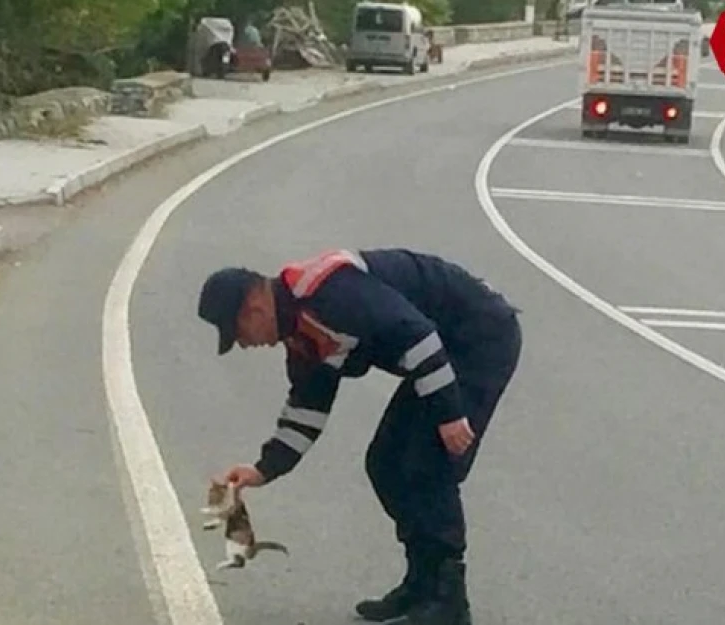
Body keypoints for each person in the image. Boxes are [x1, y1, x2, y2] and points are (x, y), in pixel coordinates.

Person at [196, 248, 523, 625]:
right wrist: (261, 470)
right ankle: (422, 583)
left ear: (252, 308)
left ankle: (449, 600)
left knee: (427, 465)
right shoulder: (301, 331)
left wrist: (449, 414)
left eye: (237, 333)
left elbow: (418, 336)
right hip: (438, 353)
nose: (245, 344)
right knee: (385, 462)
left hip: (478, 338)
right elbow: (307, 409)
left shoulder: (328, 293)